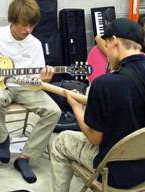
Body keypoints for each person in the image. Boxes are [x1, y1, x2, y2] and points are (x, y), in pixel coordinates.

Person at [0, 0, 61, 183]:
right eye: (24, 25)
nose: (28, 30)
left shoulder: (35, 44)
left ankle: (25, 158)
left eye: (32, 25)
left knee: (54, 111)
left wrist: (43, 80)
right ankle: (2, 139)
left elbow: (36, 79)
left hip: (26, 87)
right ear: (12, 21)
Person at [49, 18, 145, 192]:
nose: (107, 54)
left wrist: (77, 108)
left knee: (60, 141)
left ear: (114, 42)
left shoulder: (105, 84)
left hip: (117, 175)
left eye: (106, 47)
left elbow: (94, 138)